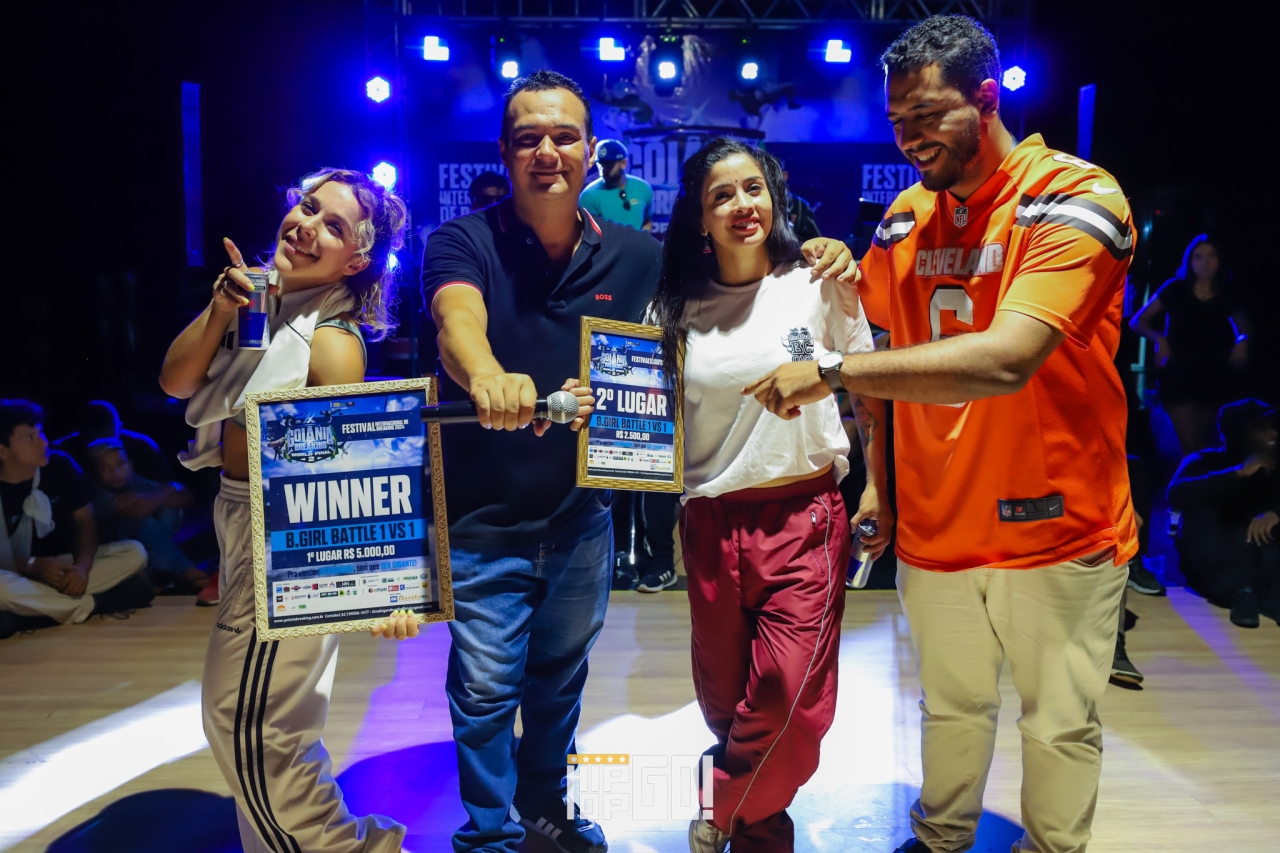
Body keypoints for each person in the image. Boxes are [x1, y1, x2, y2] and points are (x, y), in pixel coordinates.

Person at [422, 69, 859, 853]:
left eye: (564, 136)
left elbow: (711, 312)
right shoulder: (462, 240)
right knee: (484, 691)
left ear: (592, 150)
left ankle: (551, 811)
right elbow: (459, 321)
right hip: (485, 516)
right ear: (504, 150)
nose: (547, 151)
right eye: (527, 138)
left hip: (583, 514)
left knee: (560, 683)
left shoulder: (639, 259)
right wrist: (487, 375)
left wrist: (822, 248)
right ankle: (488, 837)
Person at [744, 16, 1138, 853]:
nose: (910, 137)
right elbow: (882, 356)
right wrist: (880, 484)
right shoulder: (903, 218)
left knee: (1059, 722)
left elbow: (1004, 359)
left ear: (988, 98)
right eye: (898, 121)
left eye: (927, 115)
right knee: (951, 706)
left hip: (1055, 523)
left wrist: (832, 373)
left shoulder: (1076, 197)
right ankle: (940, 836)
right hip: (936, 520)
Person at [159, 168, 419, 853]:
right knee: (264, 719)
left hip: (283, 539)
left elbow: (354, 471)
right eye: (307, 208)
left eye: (333, 225)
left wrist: (383, 587)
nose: (306, 225)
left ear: (355, 260)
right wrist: (221, 308)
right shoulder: (260, 302)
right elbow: (176, 381)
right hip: (240, 517)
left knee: (250, 722)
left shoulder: (330, 339)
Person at [650, 137, 877, 853]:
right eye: (721, 195)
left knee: (788, 701)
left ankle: (718, 803)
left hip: (802, 516)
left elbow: (868, 387)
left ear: (774, 196)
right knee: (729, 704)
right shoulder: (672, 307)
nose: (742, 205)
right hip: (711, 522)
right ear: (699, 217)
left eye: (753, 188)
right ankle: (756, 832)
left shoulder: (817, 282)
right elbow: (645, 413)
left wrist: (878, 485)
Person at [0, 399, 154, 641]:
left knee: (134, 552)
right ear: (2, 450)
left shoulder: (60, 465)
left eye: (41, 433)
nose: (43, 442)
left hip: (64, 569)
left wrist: (82, 567)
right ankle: (87, 606)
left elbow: (85, 522)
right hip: (17, 573)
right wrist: (33, 565)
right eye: (29, 438)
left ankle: (28, 613)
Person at [1131, 234, 1250, 454]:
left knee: (1204, 446)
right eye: (1198, 256)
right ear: (1190, 261)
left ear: (1219, 259)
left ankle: (1192, 474)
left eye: (1211, 255)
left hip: (1213, 374)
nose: (1205, 262)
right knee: (1192, 448)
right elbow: (1138, 321)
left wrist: (1242, 342)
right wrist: (1159, 338)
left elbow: (1244, 330)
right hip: (1178, 374)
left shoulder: (1227, 293)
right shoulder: (1176, 289)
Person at [1168, 398, 1279, 627]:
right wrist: (1239, 473)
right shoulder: (1204, 461)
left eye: (1272, 427)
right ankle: (1240, 591)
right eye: (1261, 429)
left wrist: (1276, 513)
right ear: (1239, 433)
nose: (1273, 434)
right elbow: (1176, 494)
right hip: (1218, 563)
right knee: (1198, 508)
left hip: (1259, 555)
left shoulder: (1274, 465)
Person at [85, 437, 209, 595]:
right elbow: (139, 511)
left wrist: (167, 490)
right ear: (95, 473)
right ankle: (183, 569)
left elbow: (187, 498)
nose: (115, 472)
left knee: (170, 511)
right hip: (109, 547)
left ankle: (157, 571)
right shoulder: (96, 491)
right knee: (140, 520)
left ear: (129, 465)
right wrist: (168, 491)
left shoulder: (131, 480)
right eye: (105, 468)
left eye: (120, 464)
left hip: (139, 543)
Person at [53, 399, 173, 484]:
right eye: (96, 443)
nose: (104, 447)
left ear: (120, 428)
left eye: (109, 441)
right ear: (80, 435)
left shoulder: (143, 446)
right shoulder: (61, 453)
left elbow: (169, 487)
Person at [579, 138, 654, 232]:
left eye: (608, 164)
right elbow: (588, 233)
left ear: (623, 163)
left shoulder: (643, 188)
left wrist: (644, 240)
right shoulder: (588, 196)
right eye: (600, 164)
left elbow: (647, 221)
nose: (603, 169)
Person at [779, 160, 821, 243]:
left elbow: (817, 243)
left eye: (773, 173)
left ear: (785, 175)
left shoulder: (801, 207)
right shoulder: (754, 206)